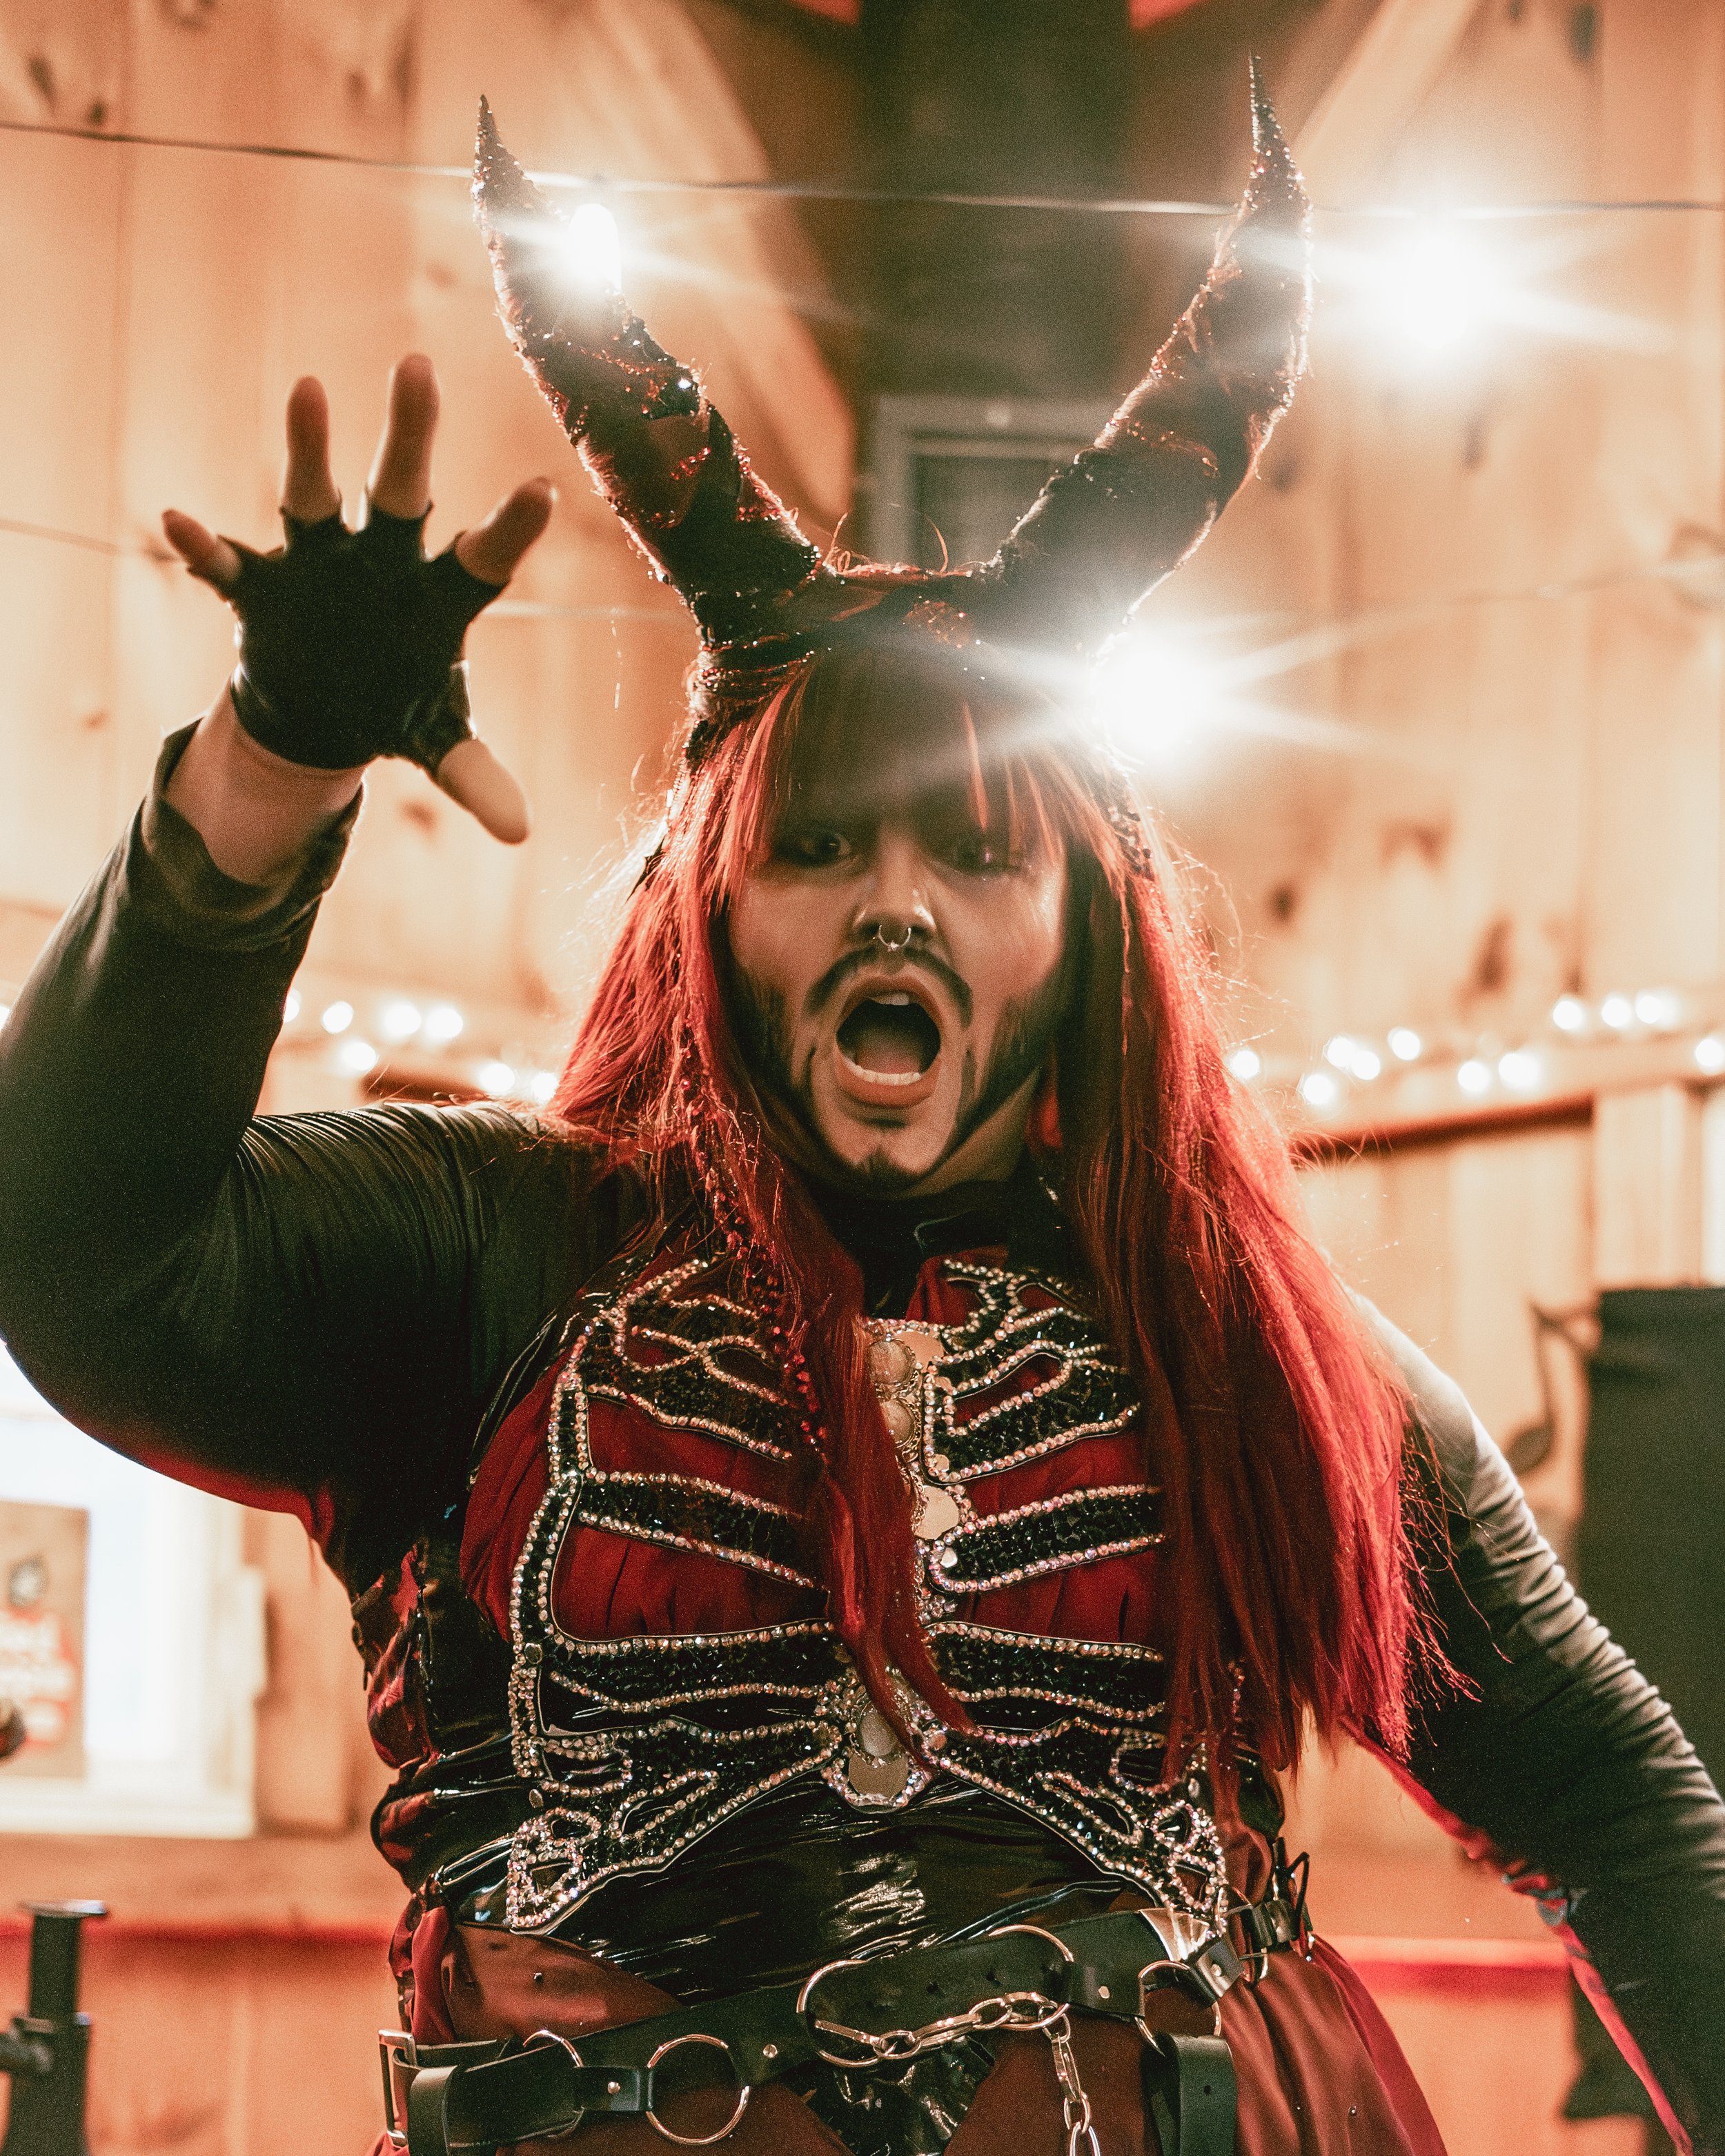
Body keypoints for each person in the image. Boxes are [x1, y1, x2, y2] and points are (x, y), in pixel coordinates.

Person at [0, 79, 1721, 2156]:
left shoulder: (1255, 1344)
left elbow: (1618, 1810)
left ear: (1084, 940)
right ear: (714, 912)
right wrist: (267, 771)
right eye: (818, 842)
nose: (897, 896)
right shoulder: (486, 1253)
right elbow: (76, 1249)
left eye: (983, 855)